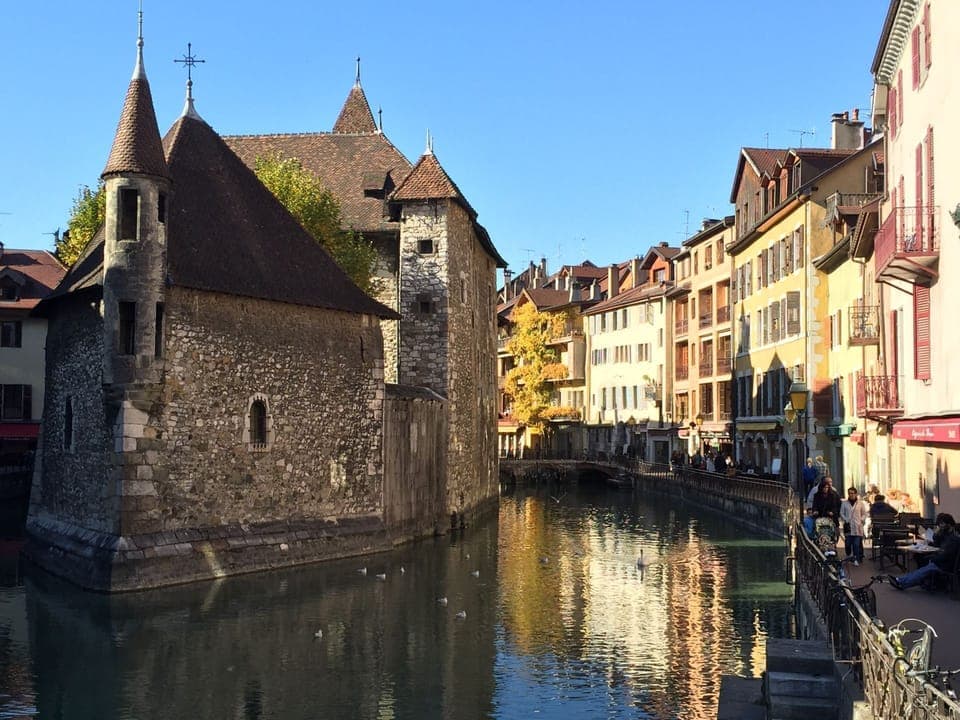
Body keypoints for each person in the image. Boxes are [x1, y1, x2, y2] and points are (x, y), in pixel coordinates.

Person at [890, 514, 960, 590]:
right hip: (944, 561)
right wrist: (937, 534)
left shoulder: (953, 540)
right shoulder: (947, 535)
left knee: (926, 568)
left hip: (946, 565)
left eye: (942, 524)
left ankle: (902, 583)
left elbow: (946, 555)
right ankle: (901, 580)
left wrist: (933, 559)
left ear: (949, 524)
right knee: (923, 565)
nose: (940, 526)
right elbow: (937, 544)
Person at [839, 486, 869, 565]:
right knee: (848, 543)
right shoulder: (844, 503)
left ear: (856, 494)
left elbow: (864, 514)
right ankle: (848, 553)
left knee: (856, 544)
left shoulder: (860, 503)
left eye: (852, 493)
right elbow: (841, 513)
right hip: (848, 526)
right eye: (849, 493)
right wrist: (845, 519)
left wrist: (861, 520)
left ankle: (856, 558)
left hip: (857, 526)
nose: (851, 495)